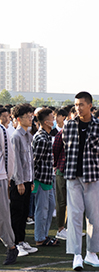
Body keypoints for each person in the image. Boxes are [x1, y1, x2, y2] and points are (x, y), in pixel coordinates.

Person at [62, 92, 99, 270]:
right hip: (73, 177)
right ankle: (76, 255)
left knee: (94, 217)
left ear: (90, 105)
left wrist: (97, 170)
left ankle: (91, 253)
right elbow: (66, 148)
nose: (78, 108)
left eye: (81, 104)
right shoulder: (69, 125)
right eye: (76, 105)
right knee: (74, 217)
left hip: (93, 177)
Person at [10, 104, 38, 257]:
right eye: (28, 116)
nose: (31, 119)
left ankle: (21, 241)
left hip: (27, 180)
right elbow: (15, 162)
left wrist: (31, 179)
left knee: (25, 212)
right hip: (18, 182)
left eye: (31, 116)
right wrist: (19, 181)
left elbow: (30, 161)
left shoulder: (29, 135)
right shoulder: (16, 136)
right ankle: (15, 243)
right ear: (19, 119)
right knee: (17, 213)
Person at [32, 108, 59, 247]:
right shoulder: (42, 138)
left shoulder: (47, 136)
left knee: (49, 208)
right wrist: (33, 180)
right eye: (52, 118)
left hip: (48, 178)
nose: (54, 120)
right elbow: (35, 161)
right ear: (46, 122)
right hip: (41, 180)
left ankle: (44, 234)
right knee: (41, 210)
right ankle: (39, 238)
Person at [0, 117, 19, 265]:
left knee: (3, 216)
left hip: (1, 178)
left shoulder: (2, 130)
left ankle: (11, 247)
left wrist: (8, 178)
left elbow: (9, 155)